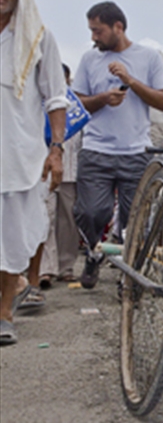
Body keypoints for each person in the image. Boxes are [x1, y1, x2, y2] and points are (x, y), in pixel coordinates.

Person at [72, 1, 163, 289]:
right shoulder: (89, 60)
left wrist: (131, 81)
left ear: (118, 27)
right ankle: (94, 250)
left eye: (98, 30)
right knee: (91, 212)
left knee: (134, 222)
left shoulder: (149, 57)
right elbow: (76, 104)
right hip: (96, 150)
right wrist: (103, 98)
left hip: (136, 152)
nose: (93, 37)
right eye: (91, 30)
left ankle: (128, 276)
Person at [0, 0, 67, 345]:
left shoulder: (38, 37)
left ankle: (5, 311)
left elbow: (55, 99)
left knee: (11, 241)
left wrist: (55, 149)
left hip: (19, 159)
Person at [39, 64, 82, 285]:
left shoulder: (77, 105)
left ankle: (66, 266)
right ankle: (46, 269)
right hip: (44, 169)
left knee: (68, 221)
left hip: (71, 170)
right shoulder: (39, 102)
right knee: (46, 217)